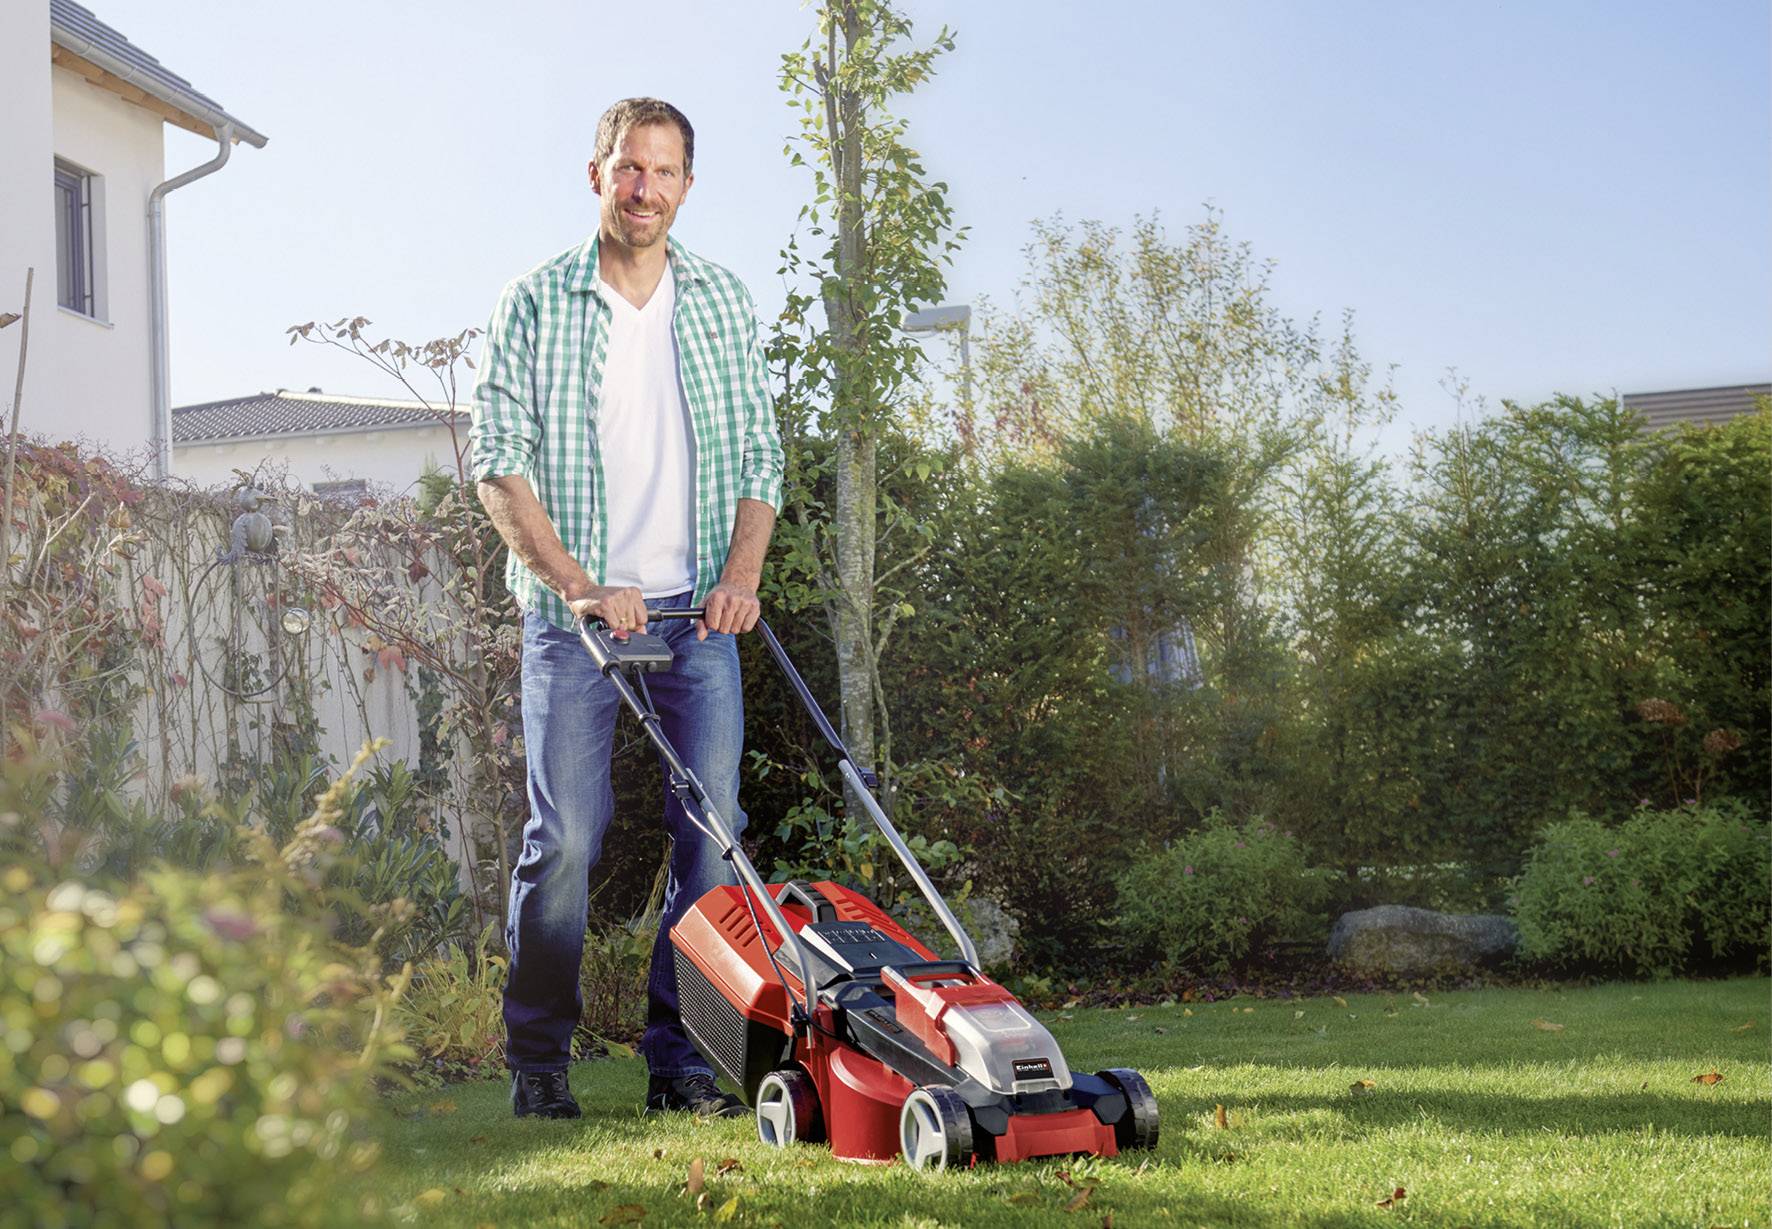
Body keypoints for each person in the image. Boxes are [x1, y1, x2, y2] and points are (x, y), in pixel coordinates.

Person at [469, 97, 783, 1120]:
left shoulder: (723, 302)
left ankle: (683, 1060)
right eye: (627, 169)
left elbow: (758, 457)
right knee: (565, 838)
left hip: (698, 615)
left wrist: (740, 574)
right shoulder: (534, 301)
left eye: (663, 171)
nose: (644, 188)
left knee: (714, 834)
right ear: (595, 174)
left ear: (687, 187)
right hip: (575, 622)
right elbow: (498, 462)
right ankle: (539, 1062)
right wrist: (575, 584)